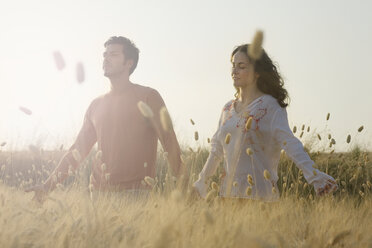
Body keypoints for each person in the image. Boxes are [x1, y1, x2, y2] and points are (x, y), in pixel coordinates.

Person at [26, 36, 182, 202]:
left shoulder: (148, 97)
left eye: (113, 54)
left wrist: (185, 185)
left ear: (129, 63)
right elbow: (77, 150)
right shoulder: (96, 105)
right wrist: (47, 187)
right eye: (104, 54)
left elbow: (169, 141)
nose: (106, 58)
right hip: (98, 195)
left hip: (135, 195)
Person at [193, 43, 337, 202]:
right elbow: (216, 151)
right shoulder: (227, 108)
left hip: (260, 199)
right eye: (233, 66)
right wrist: (201, 183)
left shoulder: (269, 106)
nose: (234, 71)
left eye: (241, 66)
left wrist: (315, 176)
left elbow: (289, 143)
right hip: (227, 197)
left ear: (257, 72)